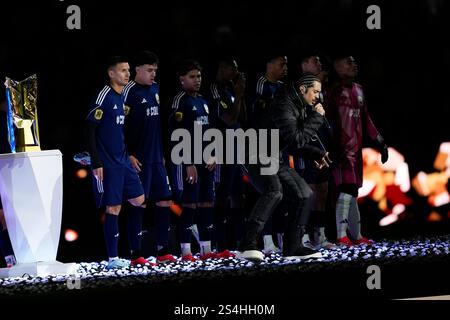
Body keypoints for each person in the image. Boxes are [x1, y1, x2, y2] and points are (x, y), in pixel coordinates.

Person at [238, 74, 330, 262]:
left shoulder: (297, 105)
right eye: (315, 92)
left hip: (272, 156)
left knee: (304, 193)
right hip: (254, 153)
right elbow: (296, 138)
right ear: (303, 89)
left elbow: (293, 141)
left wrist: (316, 153)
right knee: (274, 191)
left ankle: (293, 247)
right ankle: (247, 244)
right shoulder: (284, 105)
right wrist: (317, 117)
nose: (317, 97)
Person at [85, 56, 146, 269]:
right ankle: (113, 259)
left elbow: (118, 133)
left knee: (139, 199)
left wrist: (128, 154)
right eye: (123, 70)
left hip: (123, 160)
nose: (128, 74)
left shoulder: (122, 98)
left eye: (129, 70)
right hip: (107, 163)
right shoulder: (104, 97)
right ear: (111, 74)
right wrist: (96, 161)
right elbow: (90, 129)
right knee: (113, 208)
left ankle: (134, 249)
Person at [327, 55, 389, 246]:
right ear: (337, 67)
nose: (354, 64)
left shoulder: (360, 90)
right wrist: (331, 148)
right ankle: (340, 235)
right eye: (348, 62)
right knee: (346, 190)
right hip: (341, 152)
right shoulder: (332, 93)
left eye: (355, 61)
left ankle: (358, 235)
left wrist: (380, 142)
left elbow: (366, 119)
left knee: (353, 192)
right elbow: (326, 122)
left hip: (357, 152)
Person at [122, 51, 176, 263]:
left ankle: (162, 251)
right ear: (137, 69)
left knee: (164, 201)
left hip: (156, 159)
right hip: (138, 160)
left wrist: (161, 154)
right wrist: (128, 155)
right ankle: (135, 254)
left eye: (155, 70)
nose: (153, 74)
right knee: (139, 204)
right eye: (149, 70)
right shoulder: (128, 92)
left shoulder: (155, 89)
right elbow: (119, 127)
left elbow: (157, 126)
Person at [169, 60, 217, 261]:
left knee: (206, 203)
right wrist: (188, 163)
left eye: (198, 76)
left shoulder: (203, 101)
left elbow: (210, 131)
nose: (197, 80)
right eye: (192, 77)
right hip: (189, 163)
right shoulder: (180, 101)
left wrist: (213, 153)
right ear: (182, 79)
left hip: (206, 161)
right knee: (189, 204)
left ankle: (206, 250)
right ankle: (186, 251)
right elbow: (176, 134)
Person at [207, 58, 246, 255]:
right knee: (221, 195)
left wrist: (239, 95)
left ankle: (239, 240)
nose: (236, 73)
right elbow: (229, 119)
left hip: (235, 149)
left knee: (238, 194)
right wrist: (238, 95)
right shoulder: (214, 89)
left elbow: (240, 117)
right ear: (223, 68)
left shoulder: (230, 89)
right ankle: (219, 243)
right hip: (219, 149)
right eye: (234, 69)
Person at [251, 54, 288, 254]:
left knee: (281, 193)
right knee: (270, 192)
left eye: (287, 64)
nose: (285, 68)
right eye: (282, 64)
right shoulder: (260, 85)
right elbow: (258, 119)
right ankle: (266, 240)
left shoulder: (283, 87)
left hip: (279, 147)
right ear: (270, 64)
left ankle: (280, 239)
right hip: (262, 147)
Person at [0, 91, 17, 268]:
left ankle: (11, 258)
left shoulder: (10, 121)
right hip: (3, 170)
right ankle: (9, 258)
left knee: (8, 217)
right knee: (4, 216)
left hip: (7, 169)